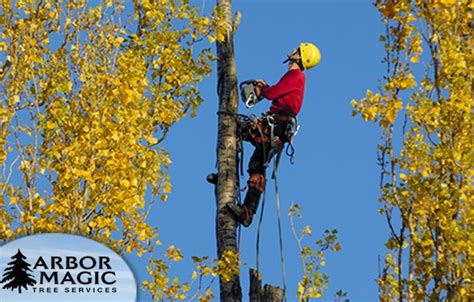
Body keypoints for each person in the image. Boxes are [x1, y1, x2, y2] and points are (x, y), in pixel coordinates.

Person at [225, 42, 321, 227]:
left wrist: (263, 89)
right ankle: (246, 211)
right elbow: (277, 92)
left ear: (301, 56)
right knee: (257, 166)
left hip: (276, 125)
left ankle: (230, 182)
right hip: (278, 128)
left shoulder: (295, 75)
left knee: (236, 128)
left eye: (297, 50)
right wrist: (265, 88)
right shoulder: (295, 77)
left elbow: (273, 93)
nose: (293, 50)